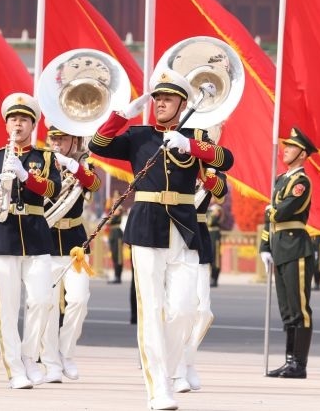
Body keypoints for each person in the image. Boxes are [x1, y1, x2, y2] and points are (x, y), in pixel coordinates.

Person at [89, 69, 234, 411]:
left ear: (183, 104)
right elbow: (97, 145)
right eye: (158, 98)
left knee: (184, 309)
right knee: (152, 310)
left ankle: (167, 373)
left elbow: (226, 160)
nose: (161, 104)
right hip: (146, 226)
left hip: (184, 227)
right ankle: (158, 388)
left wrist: (190, 145)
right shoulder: (139, 136)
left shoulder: (193, 136)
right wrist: (123, 114)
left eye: (168, 99)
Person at [0, 92, 60, 390]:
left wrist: (25, 176)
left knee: (42, 300)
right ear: (6, 124)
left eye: (23, 119)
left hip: (36, 236)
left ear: (33, 125)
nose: (18, 124)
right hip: (5, 236)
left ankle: (28, 356)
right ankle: (14, 369)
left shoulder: (45, 158)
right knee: (8, 309)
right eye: (13, 119)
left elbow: (53, 190)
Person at [40, 124, 101, 383]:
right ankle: (50, 362)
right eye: (53, 138)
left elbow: (93, 184)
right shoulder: (40, 163)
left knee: (79, 299)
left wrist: (73, 166)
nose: (57, 143)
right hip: (45, 241)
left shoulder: (84, 165)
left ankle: (66, 352)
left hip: (75, 243)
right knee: (48, 305)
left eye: (62, 139)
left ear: (74, 140)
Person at [260, 127, 317, 380]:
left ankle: (299, 364)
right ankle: (289, 361)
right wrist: (265, 246)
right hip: (279, 246)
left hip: (296, 247)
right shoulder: (281, 179)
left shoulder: (301, 182)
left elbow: (281, 212)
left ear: (302, 154)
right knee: (286, 308)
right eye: (286, 146)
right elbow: (271, 218)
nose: (285, 150)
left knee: (299, 308)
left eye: (291, 147)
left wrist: (270, 210)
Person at [174, 169, 227, 393]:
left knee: (203, 311)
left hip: (199, 236)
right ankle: (178, 368)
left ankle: (187, 360)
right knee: (180, 310)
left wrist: (205, 169)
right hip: (175, 235)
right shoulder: (176, 164)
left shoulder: (211, 170)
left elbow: (220, 192)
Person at [106, 198, 124, 283]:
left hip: (117, 234)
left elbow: (110, 220)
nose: (114, 199)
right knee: (114, 255)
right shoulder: (113, 208)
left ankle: (118, 276)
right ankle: (116, 276)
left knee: (118, 256)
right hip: (112, 234)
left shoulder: (119, 208)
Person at [207, 203, 224, 288]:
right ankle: (210, 277)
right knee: (209, 257)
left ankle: (214, 278)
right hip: (208, 235)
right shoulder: (208, 209)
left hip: (215, 236)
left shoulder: (217, 209)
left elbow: (211, 222)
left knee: (215, 258)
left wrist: (214, 212)